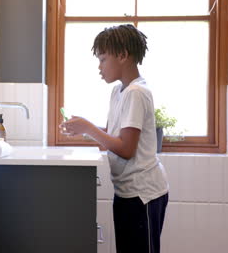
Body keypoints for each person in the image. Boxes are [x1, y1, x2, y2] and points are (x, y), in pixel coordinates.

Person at [60, 24, 169, 253]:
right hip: (126, 192)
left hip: (143, 194)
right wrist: (83, 128)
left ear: (122, 56)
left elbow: (126, 148)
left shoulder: (136, 93)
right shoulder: (118, 91)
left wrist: (88, 128)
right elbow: (114, 137)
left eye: (102, 59)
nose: (99, 67)